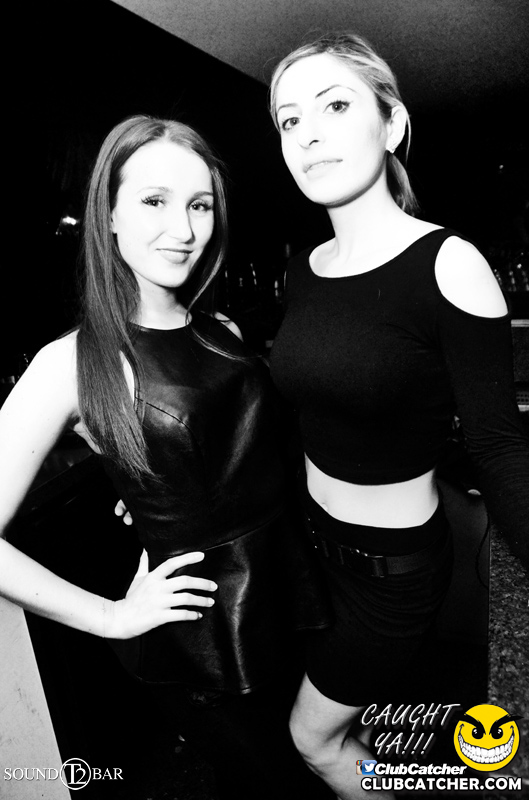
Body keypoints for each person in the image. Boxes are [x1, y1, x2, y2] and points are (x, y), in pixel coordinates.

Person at [0, 115, 333, 800]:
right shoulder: (70, 364)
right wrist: (110, 617)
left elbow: (244, 453)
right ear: (108, 214)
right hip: (203, 643)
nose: (182, 229)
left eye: (199, 205)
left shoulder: (222, 328)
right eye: (154, 200)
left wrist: (164, 481)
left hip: (288, 595)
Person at [268, 32, 529, 800]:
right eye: (288, 120)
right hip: (312, 555)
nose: (306, 134)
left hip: (392, 578)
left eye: (334, 106)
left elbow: (498, 445)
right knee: (381, 732)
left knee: (313, 740)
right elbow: (302, 416)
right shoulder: (303, 271)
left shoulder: (447, 263)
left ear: (391, 125)